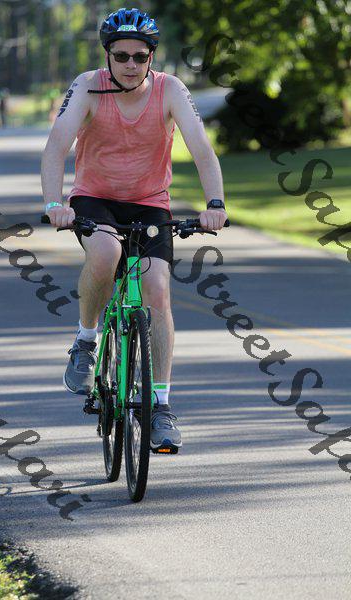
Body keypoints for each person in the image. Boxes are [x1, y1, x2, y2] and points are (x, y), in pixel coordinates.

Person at [41, 7, 227, 452]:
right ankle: (86, 341)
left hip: (149, 202)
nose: (130, 64)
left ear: (151, 58)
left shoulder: (170, 89)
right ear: (107, 55)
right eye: (121, 56)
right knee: (106, 254)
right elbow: (56, 146)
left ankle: (160, 407)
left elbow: (202, 149)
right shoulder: (87, 87)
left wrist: (215, 204)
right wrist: (53, 204)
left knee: (157, 289)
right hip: (95, 198)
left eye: (139, 57)